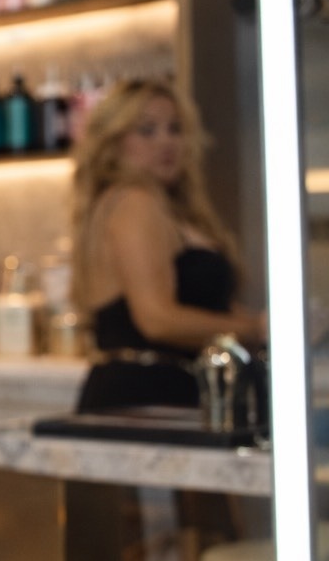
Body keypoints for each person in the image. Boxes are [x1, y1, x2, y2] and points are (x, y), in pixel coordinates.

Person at [70, 77, 266, 412]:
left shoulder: (167, 208)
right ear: (113, 143)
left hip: (159, 394)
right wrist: (257, 329)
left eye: (175, 129)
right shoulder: (134, 202)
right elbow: (157, 319)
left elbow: (208, 306)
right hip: (142, 399)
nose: (166, 142)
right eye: (147, 131)